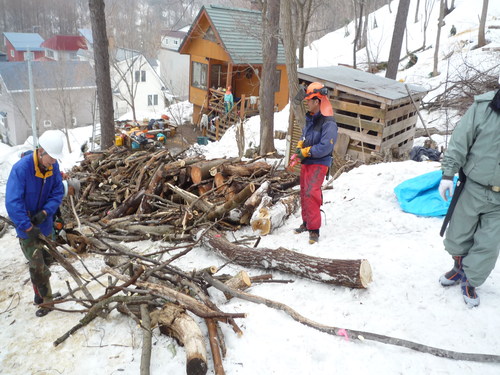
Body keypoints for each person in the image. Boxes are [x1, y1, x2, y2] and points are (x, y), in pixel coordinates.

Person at [438, 82, 500, 307]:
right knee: (457, 236)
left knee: (488, 245)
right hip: (474, 186)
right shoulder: (485, 107)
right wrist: (448, 174)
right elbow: (460, 140)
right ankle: (458, 268)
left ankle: (471, 282)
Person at [5, 130, 65, 317]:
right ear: (40, 151)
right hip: (26, 227)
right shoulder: (21, 169)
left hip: (45, 224)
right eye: (51, 158)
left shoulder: (52, 167)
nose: (53, 162)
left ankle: (41, 295)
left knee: (46, 260)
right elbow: (13, 202)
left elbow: (57, 192)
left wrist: (46, 211)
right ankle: (46, 302)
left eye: (55, 159)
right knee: (37, 265)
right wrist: (26, 225)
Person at [294, 82, 338, 244]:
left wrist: (308, 151)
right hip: (307, 161)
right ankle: (306, 223)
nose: (307, 103)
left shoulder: (329, 123)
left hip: (319, 162)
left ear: (317, 101)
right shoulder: (311, 118)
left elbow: (326, 147)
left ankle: (314, 230)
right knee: (304, 191)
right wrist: (300, 146)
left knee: (312, 192)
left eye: (309, 100)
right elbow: (305, 135)